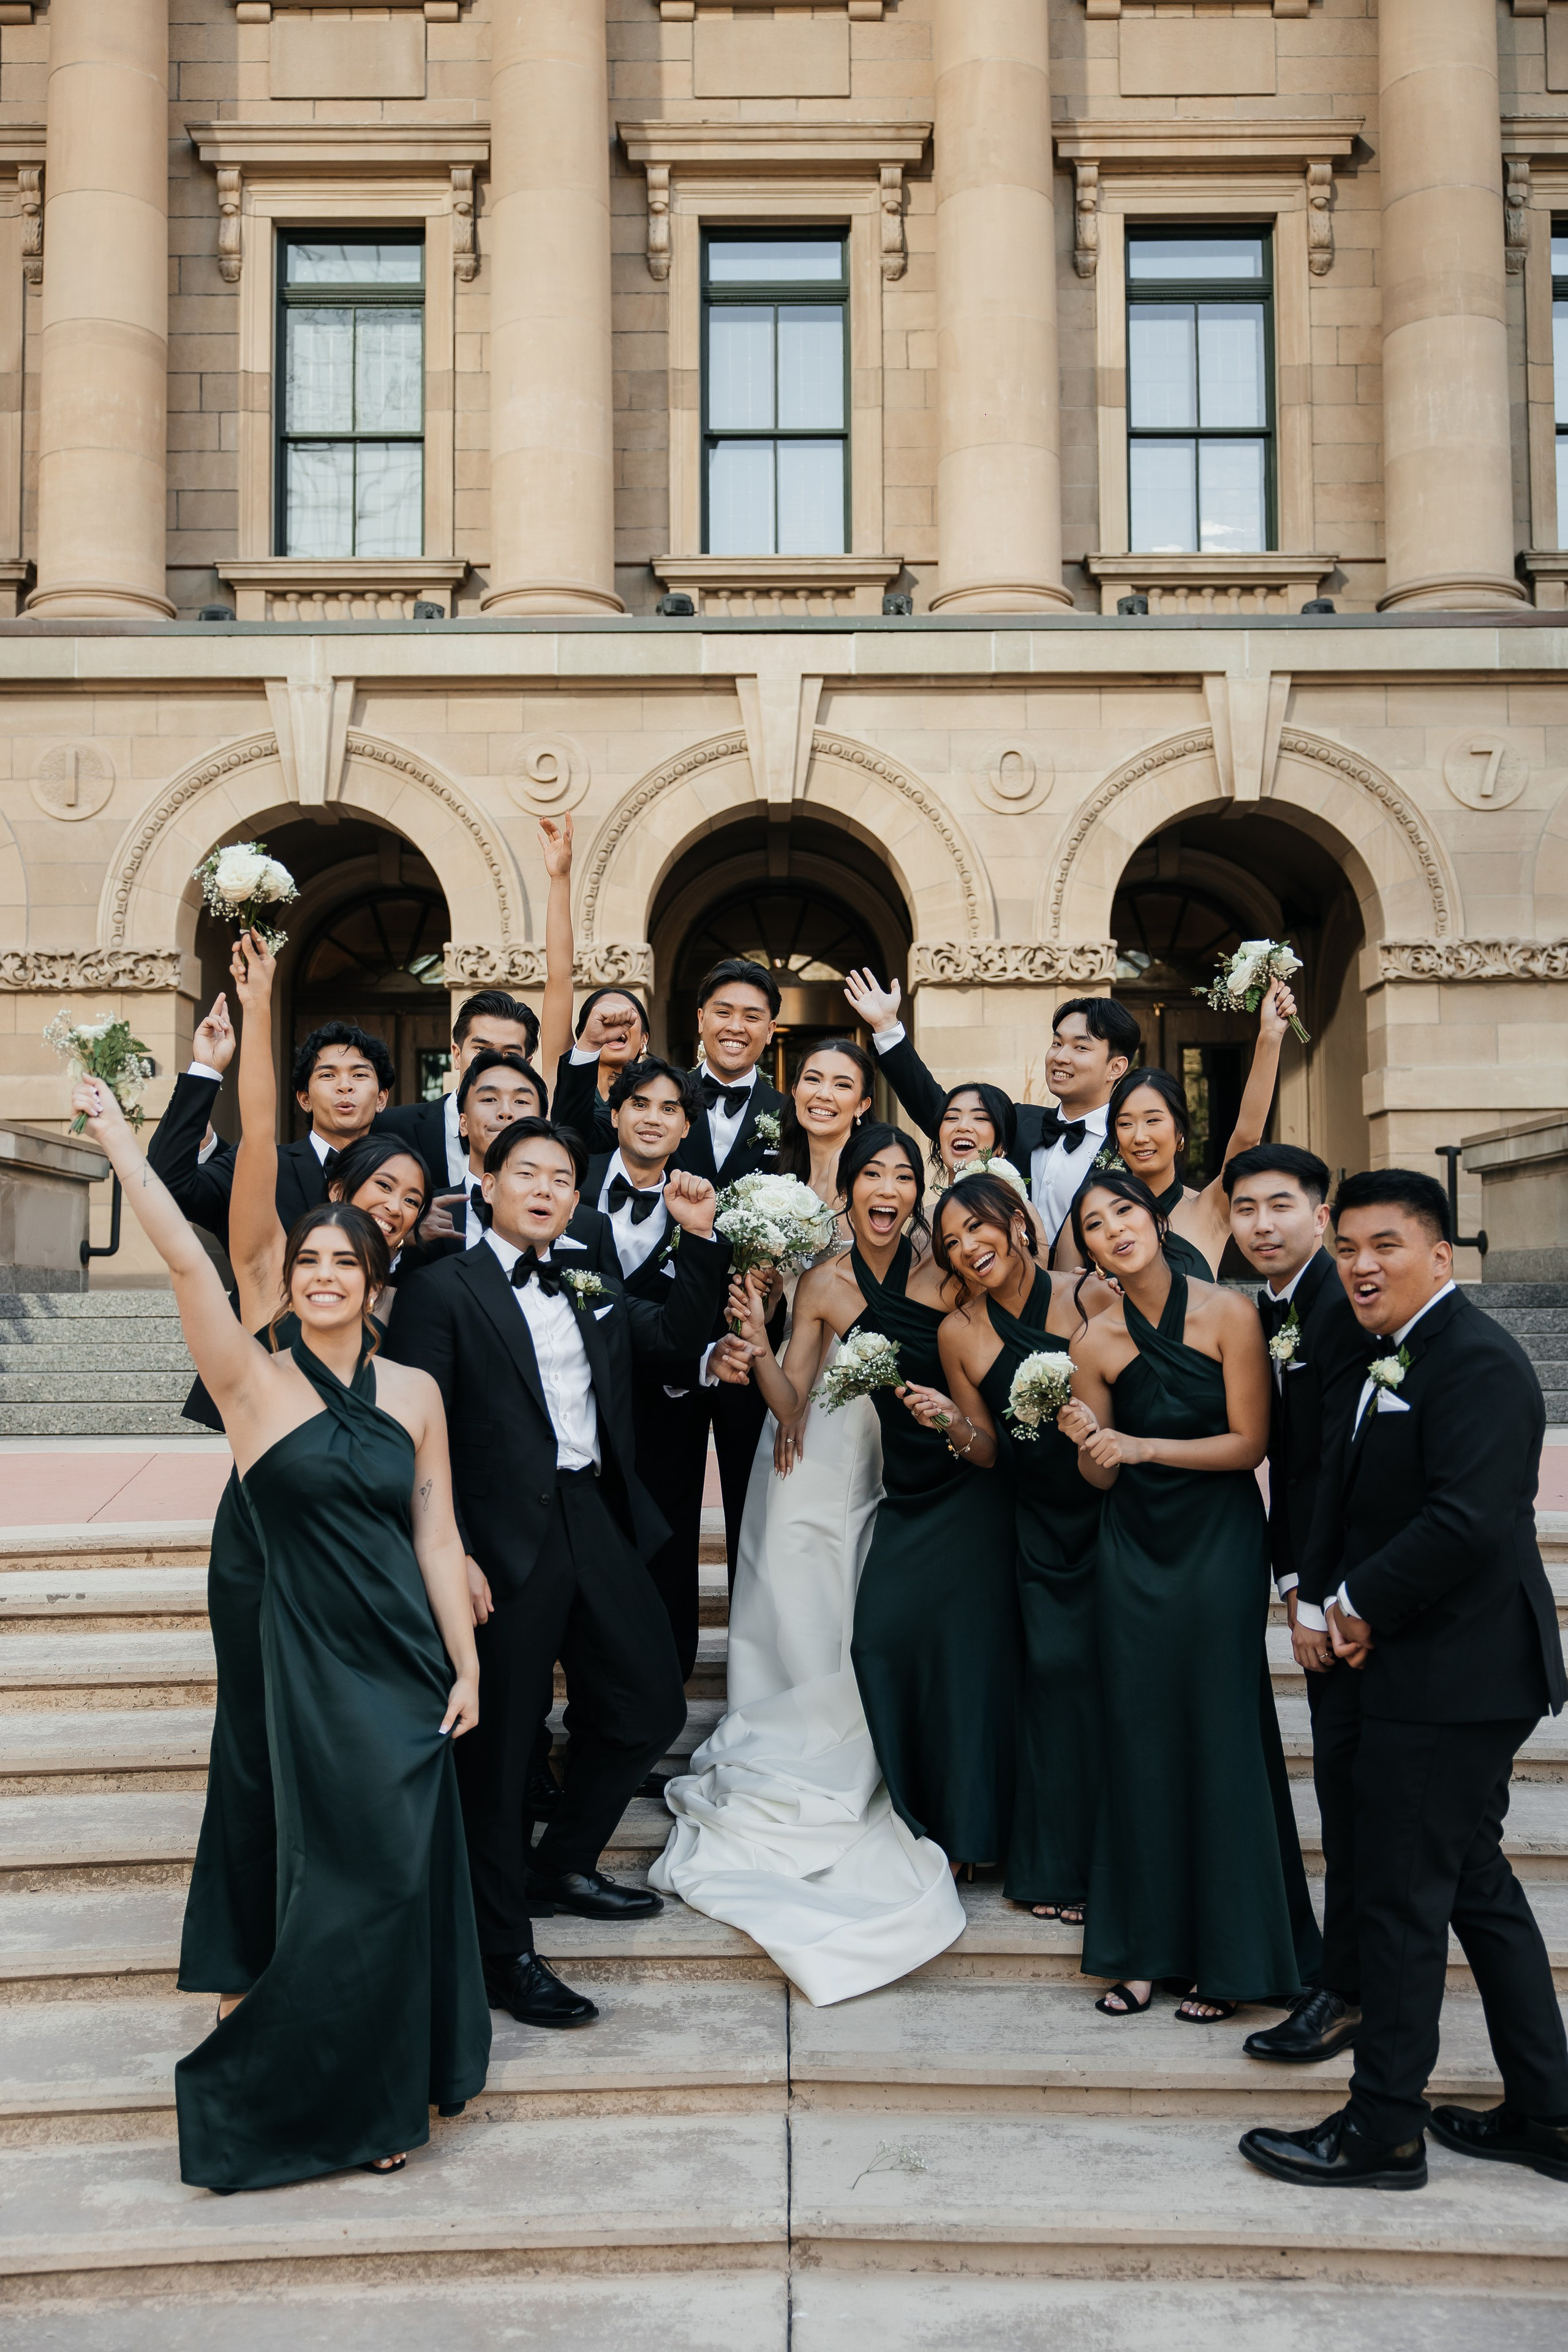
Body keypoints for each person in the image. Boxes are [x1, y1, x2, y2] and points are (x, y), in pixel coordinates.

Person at [73, 1074, 489, 2192]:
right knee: (343, 1879)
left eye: (343, 1262)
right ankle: (310, 2087)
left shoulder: (413, 1394)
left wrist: (468, 1661)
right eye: (307, 1262)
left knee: (398, 1881)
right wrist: (120, 1140)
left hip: (404, 1661)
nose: (321, 1277)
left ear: (374, 1277)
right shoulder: (251, 1384)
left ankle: (395, 2082)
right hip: (307, 1660)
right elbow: (183, 1260)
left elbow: (438, 1534)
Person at [1240, 1170, 1568, 2193]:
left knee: (1401, 1901)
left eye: (1386, 1245)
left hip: (1453, 1675)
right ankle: (1551, 2114)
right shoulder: (1394, 1354)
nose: (1363, 1265)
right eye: (1349, 1250)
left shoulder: (1476, 1362)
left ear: (1443, 1254)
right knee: (1476, 1885)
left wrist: (1352, 1608)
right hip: (1440, 1665)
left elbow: (1465, 1522)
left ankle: (1382, 2130)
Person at [383, 1116, 733, 2028]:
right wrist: (449, 1543)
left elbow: (671, 1337)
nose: (545, 1188)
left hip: (591, 1512)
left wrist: (700, 1242)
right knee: (499, 1751)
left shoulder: (587, 1270)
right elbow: (419, 1424)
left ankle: (560, 1862)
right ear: (486, 1182)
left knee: (651, 1700)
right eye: (527, 1172)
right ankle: (504, 1952)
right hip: (495, 1535)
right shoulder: (441, 1286)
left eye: (562, 1178)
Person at [177, 933, 438, 2015]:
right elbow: (255, 1149)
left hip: (371, 1563)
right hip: (267, 1555)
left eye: (406, 1200)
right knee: (258, 1748)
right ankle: (252, 1956)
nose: (385, 1206)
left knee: (353, 1767)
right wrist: (259, 1004)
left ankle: (349, 1958)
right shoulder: (272, 1290)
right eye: (374, 1188)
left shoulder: (414, 1314)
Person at [654, 1122, 967, 2002]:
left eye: (905, 1175)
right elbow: (790, 1402)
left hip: (896, 1470)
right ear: (852, 1185)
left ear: (920, 1189)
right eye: (874, 1172)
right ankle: (789, 1748)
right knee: (800, 1612)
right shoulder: (826, 1278)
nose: (889, 1188)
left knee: (859, 1621)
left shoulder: (942, 1275)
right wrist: (755, 1334)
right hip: (811, 1464)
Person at [1061, 1170, 1317, 2022]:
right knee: (1137, 1740)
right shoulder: (1091, 1343)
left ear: (1155, 1216)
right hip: (1131, 1552)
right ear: (1088, 1249)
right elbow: (1099, 1476)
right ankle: (1141, 1952)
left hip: (1216, 1546)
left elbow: (1248, 1446)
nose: (1113, 1231)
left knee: (1219, 1736)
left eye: (1124, 1212)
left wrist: (1141, 1447)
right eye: (1094, 1225)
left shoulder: (1229, 1313)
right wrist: (1086, 1442)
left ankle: (1232, 1957)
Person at [1224, 1144, 1374, 2068]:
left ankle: (1349, 1991)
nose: (1263, 1225)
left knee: (1359, 1803)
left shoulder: (1347, 1310)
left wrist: (1327, 1598)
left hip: (1364, 1605)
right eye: (1245, 1209)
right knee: (1345, 1793)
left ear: (1321, 1216)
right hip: (1320, 1585)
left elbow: (1353, 1474)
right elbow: (1299, 1466)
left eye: (1282, 1206)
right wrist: (1293, 1584)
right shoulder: (1278, 1307)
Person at [929, 1172, 1109, 1926]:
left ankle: (1122, 1859)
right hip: (1037, 1521)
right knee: (1055, 1677)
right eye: (950, 1242)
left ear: (1016, 1222)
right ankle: (1058, 1863)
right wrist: (950, 1424)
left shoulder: (1091, 1296)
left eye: (978, 1228)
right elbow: (987, 1454)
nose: (968, 1248)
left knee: (1116, 1679)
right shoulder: (957, 1333)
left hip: (1115, 1511)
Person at [655, 959, 790, 1581]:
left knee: (756, 1505)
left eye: (752, 1017)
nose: (736, 1027)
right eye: (724, 1012)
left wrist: (779, 1277)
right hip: (670, 1335)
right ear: (700, 1018)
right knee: (667, 1505)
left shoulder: (792, 1116)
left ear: (770, 1031)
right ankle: (667, 1664)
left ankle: (754, 1668)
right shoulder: (655, 1100)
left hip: (756, 1339)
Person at [843, 971, 1140, 1252]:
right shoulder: (1020, 1122)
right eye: (1056, 1043)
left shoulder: (1133, 1145)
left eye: (1081, 1048)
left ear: (1116, 1067)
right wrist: (886, 1029)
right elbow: (939, 1111)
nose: (1060, 1057)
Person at [582, 1054, 711, 1683]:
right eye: (640, 1103)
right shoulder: (567, 1186)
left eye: (670, 1109)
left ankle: (665, 1701)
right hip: (573, 1407)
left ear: (686, 1128)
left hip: (667, 1413)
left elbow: (691, 1328)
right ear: (614, 1114)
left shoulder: (704, 1205)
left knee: (665, 1558)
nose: (654, 1119)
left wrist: (702, 1237)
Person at [148, 1008, 395, 1254]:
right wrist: (206, 1069)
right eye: (328, 1075)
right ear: (305, 1099)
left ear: (381, 1099)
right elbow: (165, 1187)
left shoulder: (406, 1182)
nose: (345, 1086)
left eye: (360, 1074)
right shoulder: (251, 1168)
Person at [1098, 978, 1298, 1278]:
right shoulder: (1096, 1217)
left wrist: (1270, 1035)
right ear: (1115, 1137)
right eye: (1126, 1124)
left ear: (1180, 1134)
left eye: (1153, 1120)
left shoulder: (1211, 1208)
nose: (1140, 1137)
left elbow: (1247, 1137)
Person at [379, 987, 539, 1189]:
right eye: (481, 1049)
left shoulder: (541, 1136)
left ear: (527, 1064)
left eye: (510, 1053)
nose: (492, 1061)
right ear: (456, 1055)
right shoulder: (390, 1127)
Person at [416, 1050, 551, 1252]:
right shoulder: (423, 1214)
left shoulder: (589, 1226)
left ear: (543, 1122)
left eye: (521, 1101)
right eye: (489, 1099)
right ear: (463, 1123)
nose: (506, 1112)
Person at [554, 986, 655, 1158]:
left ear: (643, 1039)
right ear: (583, 1036)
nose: (614, 1020)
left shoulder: (657, 1093)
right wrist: (591, 1043)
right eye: (605, 1013)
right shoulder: (565, 1086)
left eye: (627, 1014)